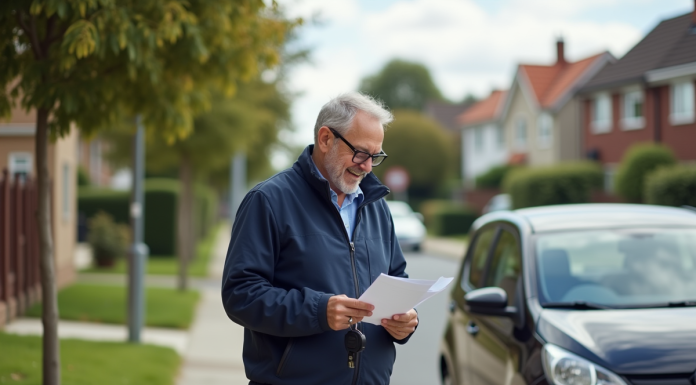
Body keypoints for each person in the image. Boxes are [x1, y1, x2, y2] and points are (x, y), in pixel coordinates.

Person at [222, 92, 418, 385]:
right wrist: (318, 311)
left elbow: (397, 279)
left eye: (375, 156)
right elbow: (240, 294)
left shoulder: (377, 207)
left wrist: (407, 320)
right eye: (361, 153)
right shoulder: (268, 200)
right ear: (326, 139)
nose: (367, 166)